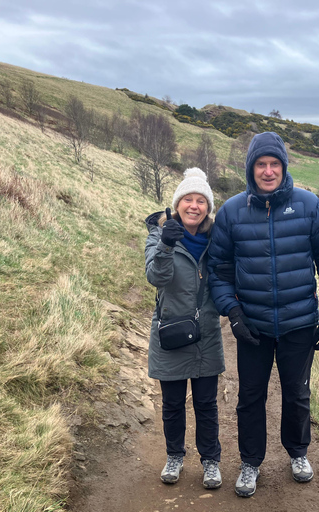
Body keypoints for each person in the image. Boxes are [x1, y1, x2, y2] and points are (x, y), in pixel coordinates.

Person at [208, 132, 319, 497]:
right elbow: (219, 269)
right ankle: (250, 463)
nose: (268, 172)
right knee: (250, 397)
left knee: (297, 394)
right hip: (251, 325)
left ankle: (298, 453)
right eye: (260, 164)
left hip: (299, 323)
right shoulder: (231, 212)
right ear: (250, 168)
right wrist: (233, 313)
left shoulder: (311, 207)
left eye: (274, 164)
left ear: (284, 167)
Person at [144, 168, 225, 489]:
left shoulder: (216, 238)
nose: (194, 206)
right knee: (173, 404)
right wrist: (165, 245)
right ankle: (174, 457)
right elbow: (156, 278)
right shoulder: (158, 234)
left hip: (206, 335)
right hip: (170, 333)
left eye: (201, 200)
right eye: (188, 199)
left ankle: (210, 462)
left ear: (208, 207)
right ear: (177, 204)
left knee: (207, 404)